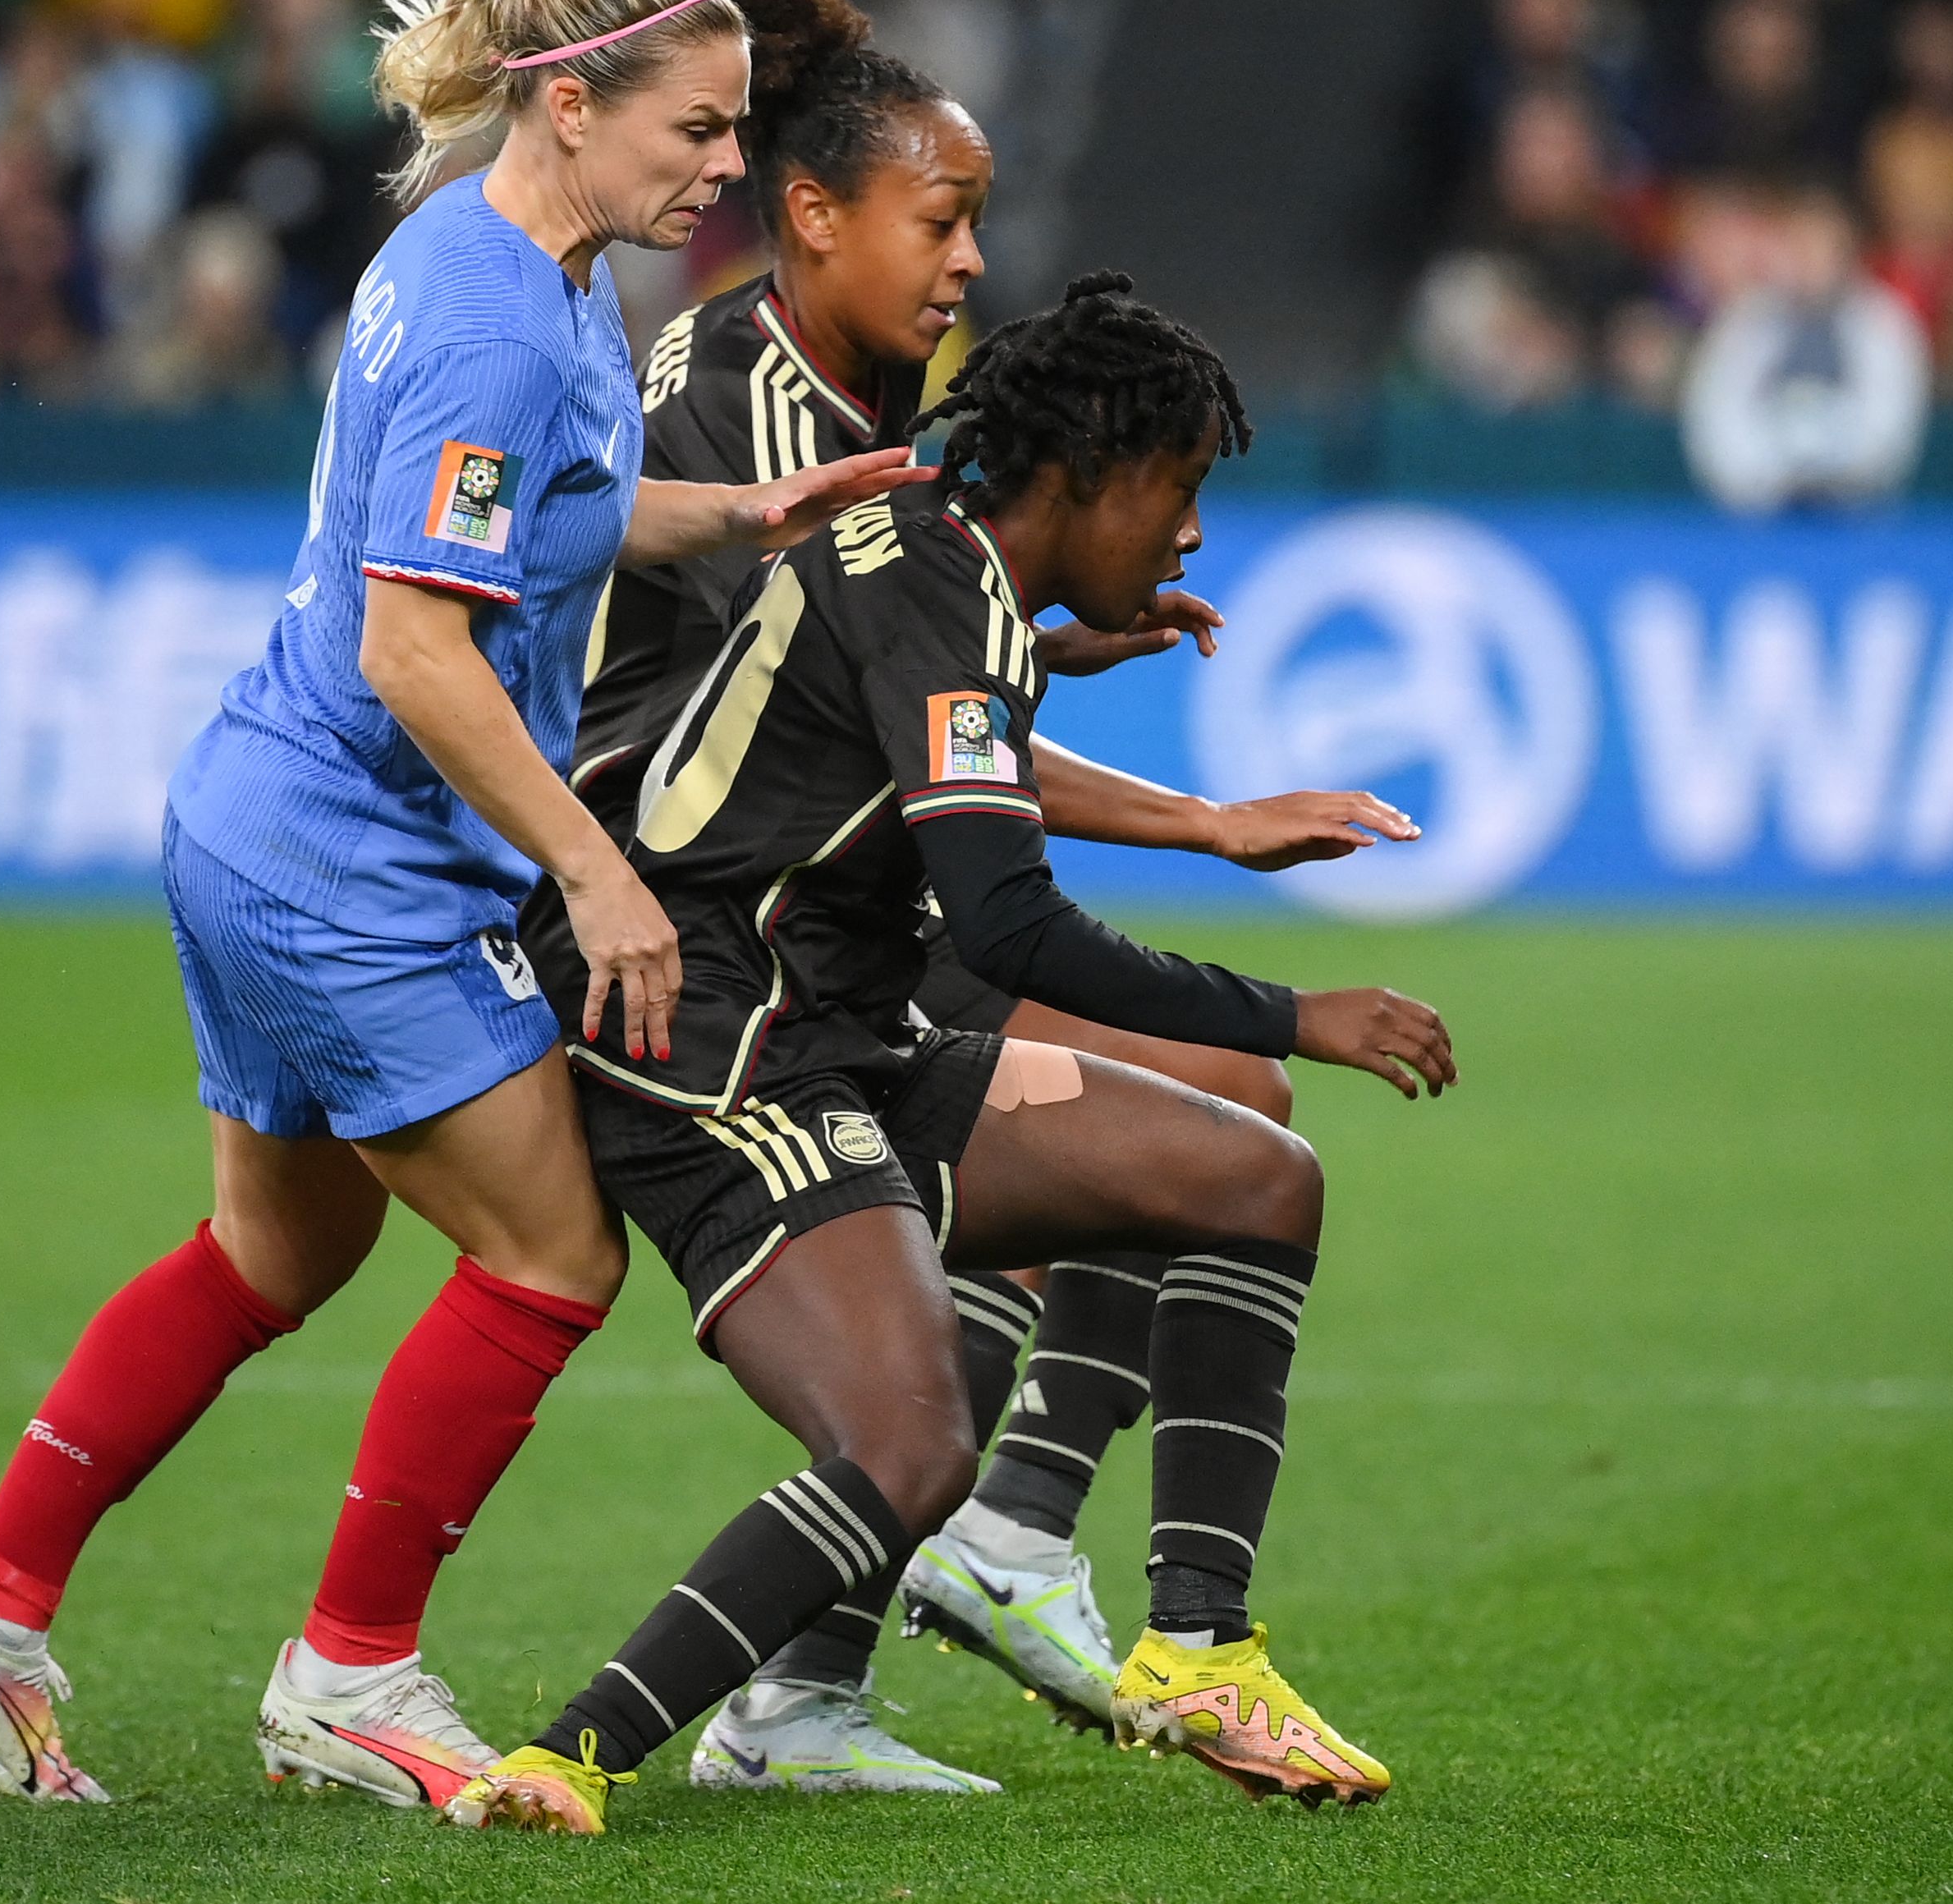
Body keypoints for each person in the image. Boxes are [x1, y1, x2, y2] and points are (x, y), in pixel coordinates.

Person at [0, 0, 925, 1808]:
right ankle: (350, 1673)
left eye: (736, 132)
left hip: (254, 816)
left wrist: (740, 508)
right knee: (550, 1254)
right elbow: (415, 644)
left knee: (272, 1249)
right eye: (694, 128)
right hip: (351, 861)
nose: (724, 169)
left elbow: (546, 518)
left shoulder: (496, 238)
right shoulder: (508, 328)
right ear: (576, 99)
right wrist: (590, 875)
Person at [445, 273, 1456, 1834]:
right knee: (911, 1447)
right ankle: (569, 1750)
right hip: (715, 1046)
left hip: (842, 1026)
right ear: (1078, 475)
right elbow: (1012, 929)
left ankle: (1200, 1648)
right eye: (1177, 489)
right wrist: (1298, 1013)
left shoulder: (935, 531)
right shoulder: (945, 583)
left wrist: (1076, 684)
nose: (1189, 533)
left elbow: (934, 719)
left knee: (1252, 1171)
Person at [575, 0, 1418, 1795]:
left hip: (797, 887)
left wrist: (1049, 626)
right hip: (720, 922)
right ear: (813, 215)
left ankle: (975, 1561)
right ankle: (950, 1574)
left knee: (1206, 1116)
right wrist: (1199, 818)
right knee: (1195, 1100)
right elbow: (874, 728)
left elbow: (925, 689)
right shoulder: (767, 430)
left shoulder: (830, 382)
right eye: (943, 221)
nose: (970, 264)